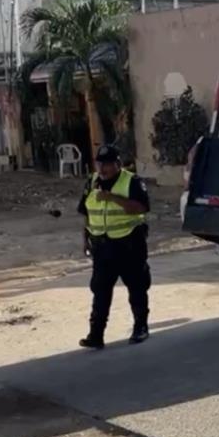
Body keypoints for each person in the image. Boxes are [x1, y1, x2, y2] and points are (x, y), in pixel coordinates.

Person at [78, 144, 151, 349]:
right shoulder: (91, 182)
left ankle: (140, 328)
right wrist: (85, 238)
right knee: (100, 290)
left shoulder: (132, 181)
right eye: (99, 164)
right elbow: (86, 212)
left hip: (129, 244)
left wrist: (111, 198)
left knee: (137, 287)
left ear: (118, 164)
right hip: (102, 246)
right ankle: (96, 335)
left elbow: (141, 207)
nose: (102, 169)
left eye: (107, 165)